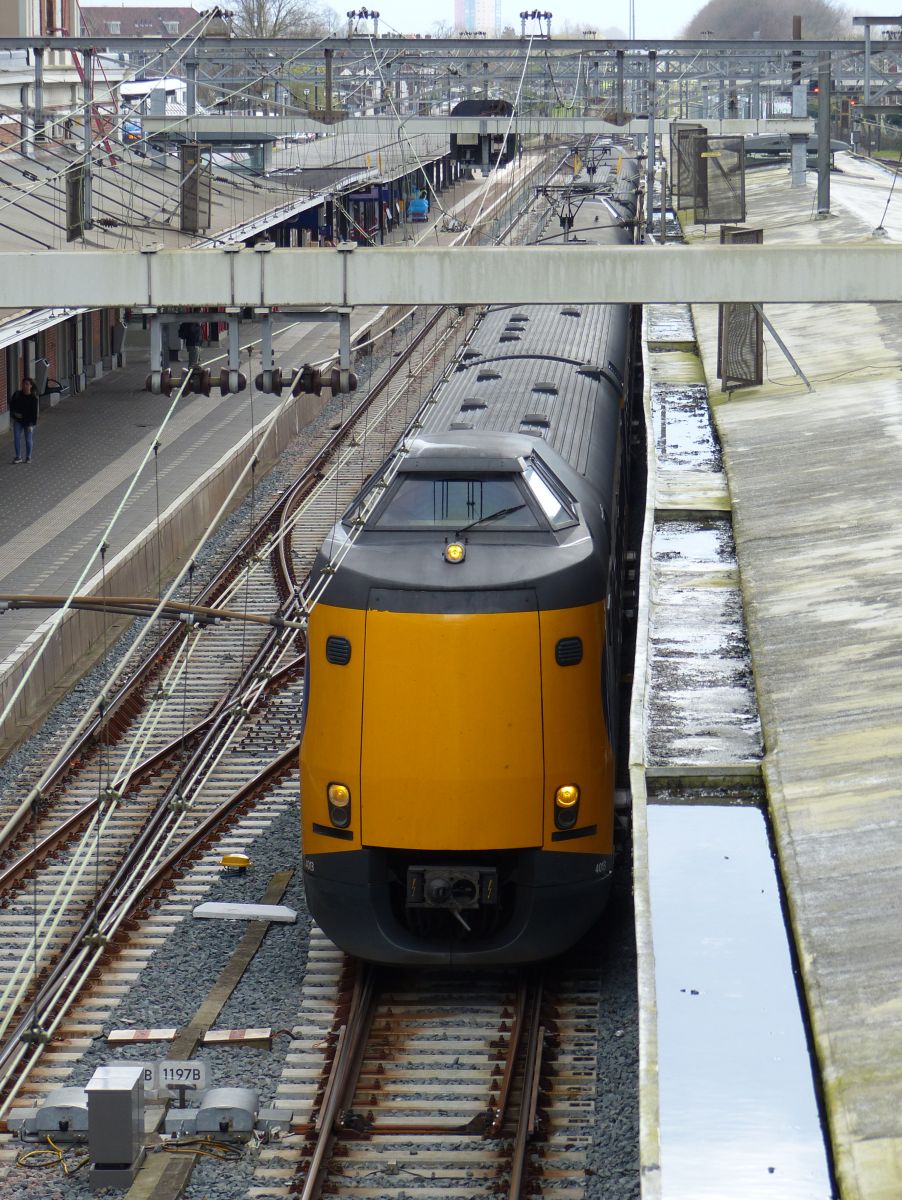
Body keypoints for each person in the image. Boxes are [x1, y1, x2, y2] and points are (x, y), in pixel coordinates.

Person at [9, 377, 38, 463]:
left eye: (27, 384)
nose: (25, 386)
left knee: (28, 439)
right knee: (16, 438)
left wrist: (31, 424)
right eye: (23, 384)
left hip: (28, 422)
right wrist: (14, 414)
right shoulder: (17, 394)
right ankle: (18, 457)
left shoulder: (33, 398)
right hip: (18, 420)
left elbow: (34, 413)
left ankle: (28, 457)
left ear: (31, 386)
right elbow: (12, 405)